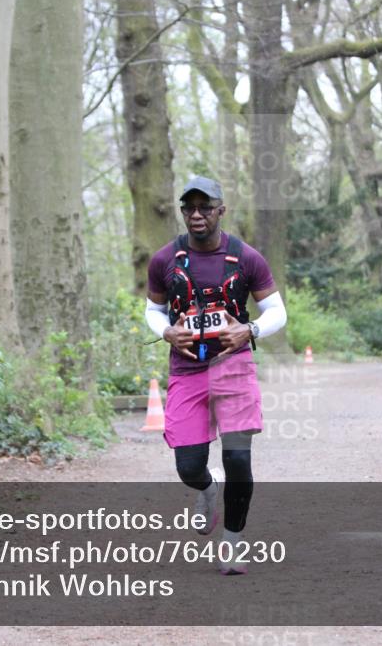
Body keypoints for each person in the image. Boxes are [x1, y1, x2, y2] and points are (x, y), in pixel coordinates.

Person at [144, 175, 287, 575]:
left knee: (238, 460)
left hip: (234, 366)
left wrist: (251, 328)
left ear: (221, 209)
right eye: (188, 207)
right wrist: (166, 331)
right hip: (187, 370)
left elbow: (277, 311)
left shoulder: (247, 258)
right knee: (189, 466)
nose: (196, 214)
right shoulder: (164, 260)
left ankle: (233, 545)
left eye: (205, 207)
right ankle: (207, 491)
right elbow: (153, 310)